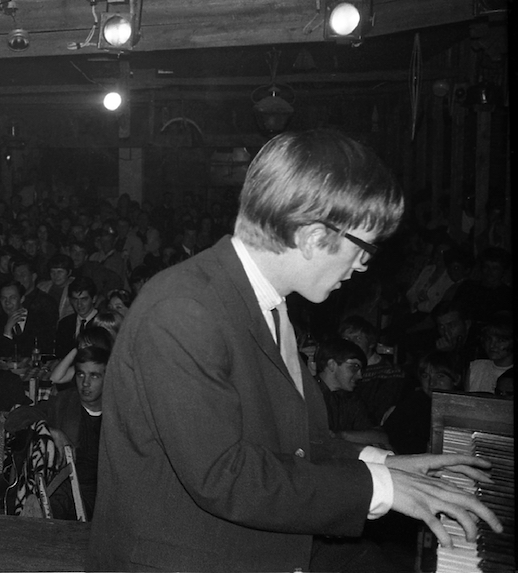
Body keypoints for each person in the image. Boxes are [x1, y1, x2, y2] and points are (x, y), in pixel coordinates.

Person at [87, 129, 501, 572]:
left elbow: (298, 440)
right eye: (364, 246)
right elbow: (225, 477)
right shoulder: (184, 311)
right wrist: (381, 489)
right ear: (312, 236)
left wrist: (389, 465)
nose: (364, 265)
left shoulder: (266, 301)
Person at [6, 345, 109, 520]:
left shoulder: (117, 413)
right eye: (80, 374)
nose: (85, 383)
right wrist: (52, 430)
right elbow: (16, 417)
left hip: (98, 494)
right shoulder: (66, 403)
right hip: (55, 484)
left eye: (94, 376)